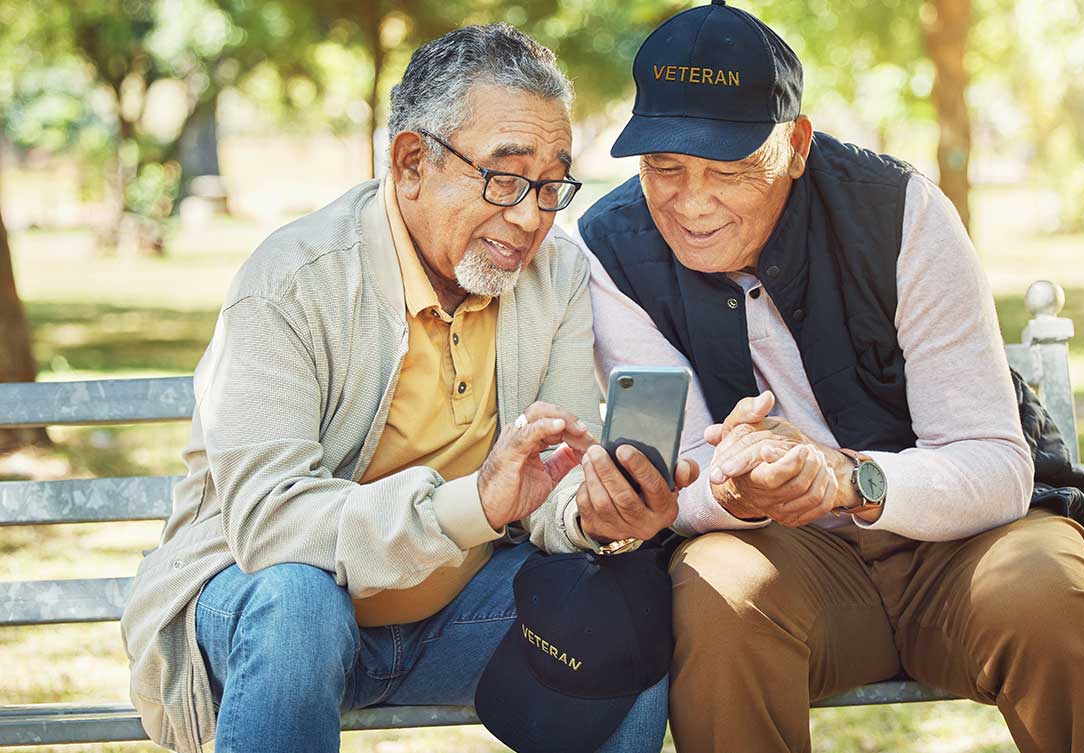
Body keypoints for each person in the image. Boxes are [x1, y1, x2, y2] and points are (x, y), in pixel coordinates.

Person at [575, 2, 1084, 752]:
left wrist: (847, 479)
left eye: (727, 170)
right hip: (785, 559)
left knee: (1048, 590)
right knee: (717, 592)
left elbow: (995, 461)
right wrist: (725, 486)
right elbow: (671, 476)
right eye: (664, 168)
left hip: (961, 544)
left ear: (795, 145)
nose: (692, 205)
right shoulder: (609, 251)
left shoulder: (901, 212)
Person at [120, 23, 695, 753]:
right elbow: (270, 527)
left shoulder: (554, 275)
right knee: (300, 603)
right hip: (264, 614)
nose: (531, 217)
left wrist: (595, 512)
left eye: (552, 184)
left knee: (626, 624)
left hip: (456, 616)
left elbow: (554, 487)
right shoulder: (294, 280)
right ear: (412, 161)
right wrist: (473, 503)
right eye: (506, 177)